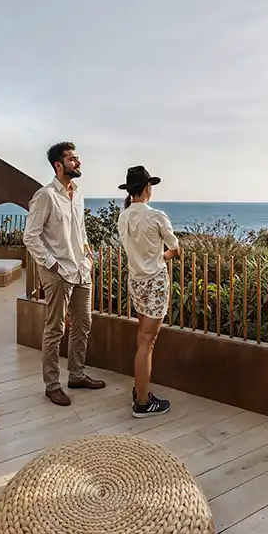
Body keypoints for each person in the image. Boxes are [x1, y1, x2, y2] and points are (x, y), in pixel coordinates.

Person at [23, 141, 105, 406]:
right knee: (55, 328)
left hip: (81, 269)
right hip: (58, 272)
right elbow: (30, 236)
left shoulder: (78, 194)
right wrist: (52, 264)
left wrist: (87, 253)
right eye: (72, 159)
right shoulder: (45, 195)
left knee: (84, 323)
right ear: (58, 165)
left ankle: (77, 374)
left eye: (77, 158)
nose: (78, 162)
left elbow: (79, 229)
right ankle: (52, 384)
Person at [116, 165, 180, 417]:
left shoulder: (123, 217)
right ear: (147, 189)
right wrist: (162, 255)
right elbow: (175, 248)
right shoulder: (156, 216)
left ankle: (139, 388)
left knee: (142, 336)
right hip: (154, 281)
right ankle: (142, 402)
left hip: (135, 281)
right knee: (148, 341)